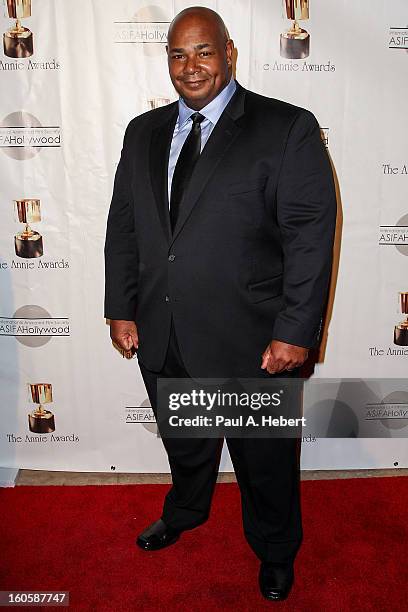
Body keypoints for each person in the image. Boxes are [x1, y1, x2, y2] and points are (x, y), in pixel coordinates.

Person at [104, 6, 336, 602]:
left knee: (265, 463)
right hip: (166, 329)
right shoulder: (142, 132)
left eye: (203, 52)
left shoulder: (285, 128)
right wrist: (121, 306)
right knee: (186, 441)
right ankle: (185, 512)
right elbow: (124, 228)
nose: (191, 67)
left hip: (252, 339)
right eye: (178, 55)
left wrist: (295, 330)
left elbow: (311, 235)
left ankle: (276, 549)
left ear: (228, 52)